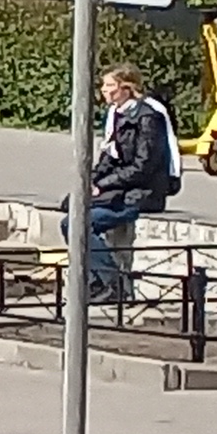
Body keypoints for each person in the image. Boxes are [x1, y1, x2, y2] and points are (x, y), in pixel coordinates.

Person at [81, 64, 179, 305]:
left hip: (142, 194)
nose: (104, 90)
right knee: (71, 216)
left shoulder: (148, 117)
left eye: (110, 86)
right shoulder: (116, 114)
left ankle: (112, 282)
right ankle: (100, 280)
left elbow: (143, 166)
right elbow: (110, 156)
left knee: (82, 224)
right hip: (123, 190)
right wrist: (90, 181)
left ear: (126, 88)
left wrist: (104, 186)